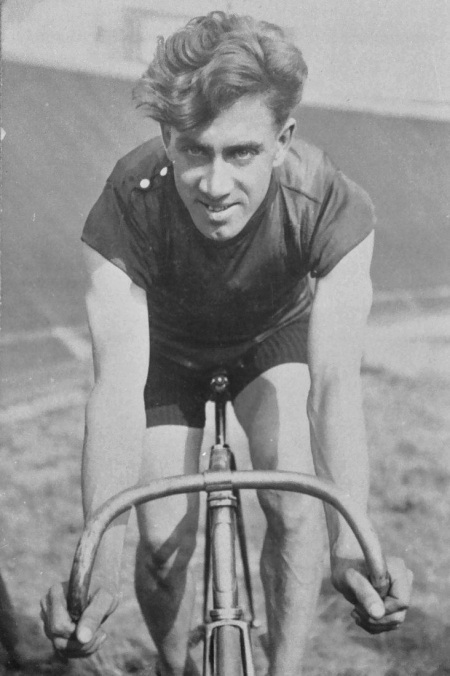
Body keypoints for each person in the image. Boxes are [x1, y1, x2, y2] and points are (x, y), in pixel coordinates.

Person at [40, 12, 413, 676]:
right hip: (166, 356)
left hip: (271, 340)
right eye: (193, 151)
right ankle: (175, 667)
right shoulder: (126, 202)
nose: (214, 186)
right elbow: (117, 389)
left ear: (282, 140)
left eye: (240, 153)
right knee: (160, 543)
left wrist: (350, 539)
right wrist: (102, 560)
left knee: (296, 504)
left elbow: (334, 387)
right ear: (166, 137)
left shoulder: (327, 201)